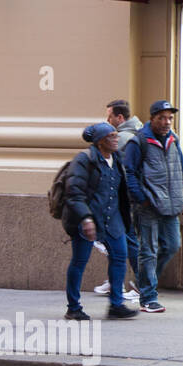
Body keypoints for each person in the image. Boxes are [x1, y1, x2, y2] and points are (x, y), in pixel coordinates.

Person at [123, 100, 183, 313]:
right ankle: (148, 297)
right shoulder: (139, 142)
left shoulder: (174, 140)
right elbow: (130, 173)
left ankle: (144, 280)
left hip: (171, 205)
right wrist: (142, 198)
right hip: (149, 206)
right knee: (149, 250)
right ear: (152, 119)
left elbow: (180, 170)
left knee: (172, 245)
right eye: (161, 118)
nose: (166, 122)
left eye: (170, 118)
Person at [63, 123, 138, 320]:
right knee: (79, 262)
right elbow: (74, 193)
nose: (116, 139)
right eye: (111, 136)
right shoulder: (84, 160)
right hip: (88, 219)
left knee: (120, 257)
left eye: (116, 135)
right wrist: (86, 219)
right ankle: (73, 306)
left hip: (113, 219)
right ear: (100, 142)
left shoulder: (118, 158)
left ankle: (116, 305)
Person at [93, 100, 142, 299]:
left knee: (125, 241)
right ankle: (117, 281)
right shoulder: (138, 133)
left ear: (120, 118)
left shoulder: (121, 138)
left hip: (123, 200)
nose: (107, 120)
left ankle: (138, 283)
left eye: (110, 116)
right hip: (130, 199)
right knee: (122, 240)